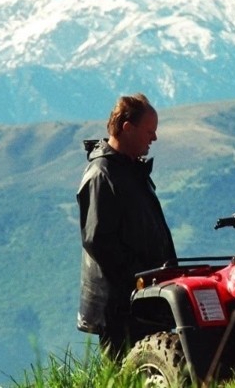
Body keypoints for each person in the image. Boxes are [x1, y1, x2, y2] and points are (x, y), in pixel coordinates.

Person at [76, 93, 177, 359]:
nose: (153, 139)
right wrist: (138, 277)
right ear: (127, 128)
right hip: (121, 306)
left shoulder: (130, 170)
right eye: (149, 131)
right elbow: (98, 240)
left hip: (144, 298)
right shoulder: (102, 175)